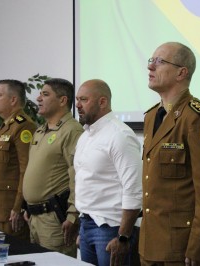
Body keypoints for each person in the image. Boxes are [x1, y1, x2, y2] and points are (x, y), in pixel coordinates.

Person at [139, 42, 200, 266]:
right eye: (151, 61)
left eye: (159, 62)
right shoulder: (151, 117)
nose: (151, 67)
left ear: (181, 72)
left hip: (180, 248)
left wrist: (199, 246)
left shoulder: (197, 118)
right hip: (150, 244)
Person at [74, 79, 142, 266]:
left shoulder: (119, 135)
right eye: (77, 99)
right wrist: (83, 230)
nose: (78, 105)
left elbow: (134, 189)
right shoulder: (85, 136)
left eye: (84, 100)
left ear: (102, 102)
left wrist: (123, 237)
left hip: (111, 229)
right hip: (87, 224)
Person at [22, 78, 83, 257]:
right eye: (40, 93)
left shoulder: (71, 130)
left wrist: (73, 215)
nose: (38, 98)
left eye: (45, 94)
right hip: (33, 217)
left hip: (55, 219)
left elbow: (77, 175)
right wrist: (27, 206)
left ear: (63, 100)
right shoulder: (40, 130)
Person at [0, 79, 36, 240]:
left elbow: (25, 170)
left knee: (14, 258)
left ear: (13, 100)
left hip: (11, 210)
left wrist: (18, 207)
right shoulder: (6, 125)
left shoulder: (23, 126)